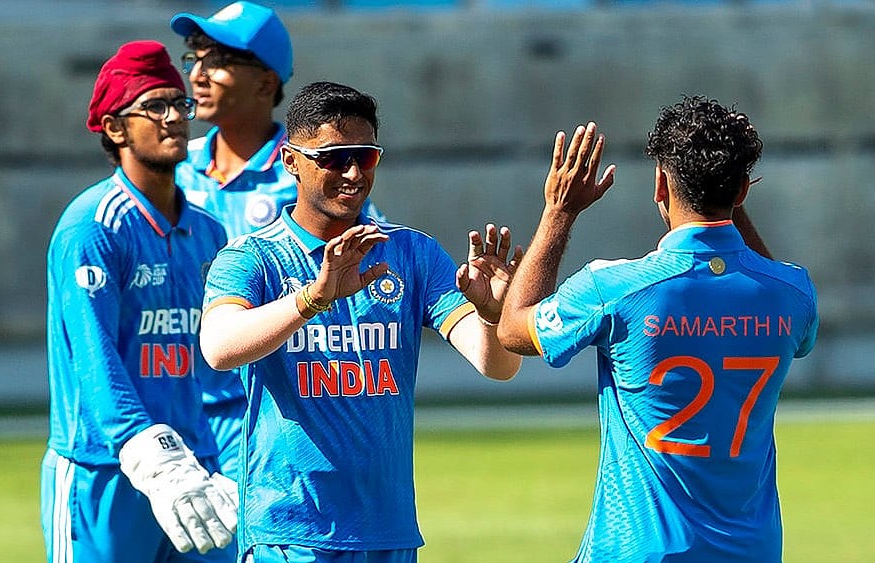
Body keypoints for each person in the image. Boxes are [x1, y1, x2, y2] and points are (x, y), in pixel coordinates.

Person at [199, 81, 522, 562]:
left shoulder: (412, 252)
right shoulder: (252, 258)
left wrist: (493, 316)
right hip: (290, 533)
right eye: (333, 158)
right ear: (291, 162)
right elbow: (219, 348)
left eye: (365, 157)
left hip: (388, 532)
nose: (352, 173)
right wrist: (313, 296)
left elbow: (496, 365)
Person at [497, 97, 819, 562]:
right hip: (752, 552)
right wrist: (724, 200)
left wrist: (559, 211)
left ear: (659, 185)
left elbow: (513, 327)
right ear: (744, 189)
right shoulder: (793, 293)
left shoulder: (614, 288)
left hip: (639, 551)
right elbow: (777, 298)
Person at [169, 1, 385, 482]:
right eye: (193, 59)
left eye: (217, 61)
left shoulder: (313, 176)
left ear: (266, 83)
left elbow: (364, 280)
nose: (198, 75)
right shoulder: (175, 171)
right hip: (178, 411)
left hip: (271, 413)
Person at [40, 40, 239, 562]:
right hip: (105, 471)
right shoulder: (92, 227)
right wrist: (149, 454)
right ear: (115, 128)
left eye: (180, 103)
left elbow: (224, 365)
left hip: (196, 472)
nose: (175, 117)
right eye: (155, 106)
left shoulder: (208, 233)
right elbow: (94, 358)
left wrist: (239, 459)